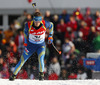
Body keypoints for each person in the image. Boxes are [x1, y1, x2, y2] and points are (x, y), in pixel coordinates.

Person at [9, 11, 54, 80]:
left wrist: (50, 36)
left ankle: (41, 75)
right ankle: (13, 75)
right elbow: (25, 33)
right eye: (35, 21)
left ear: (40, 20)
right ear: (33, 20)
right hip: (31, 46)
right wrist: (26, 42)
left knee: (41, 58)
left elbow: (51, 25)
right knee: (22, 61)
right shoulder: (28, 24)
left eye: (38, 22)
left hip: (40, 45)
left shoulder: (45, 23)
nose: (36, 23)